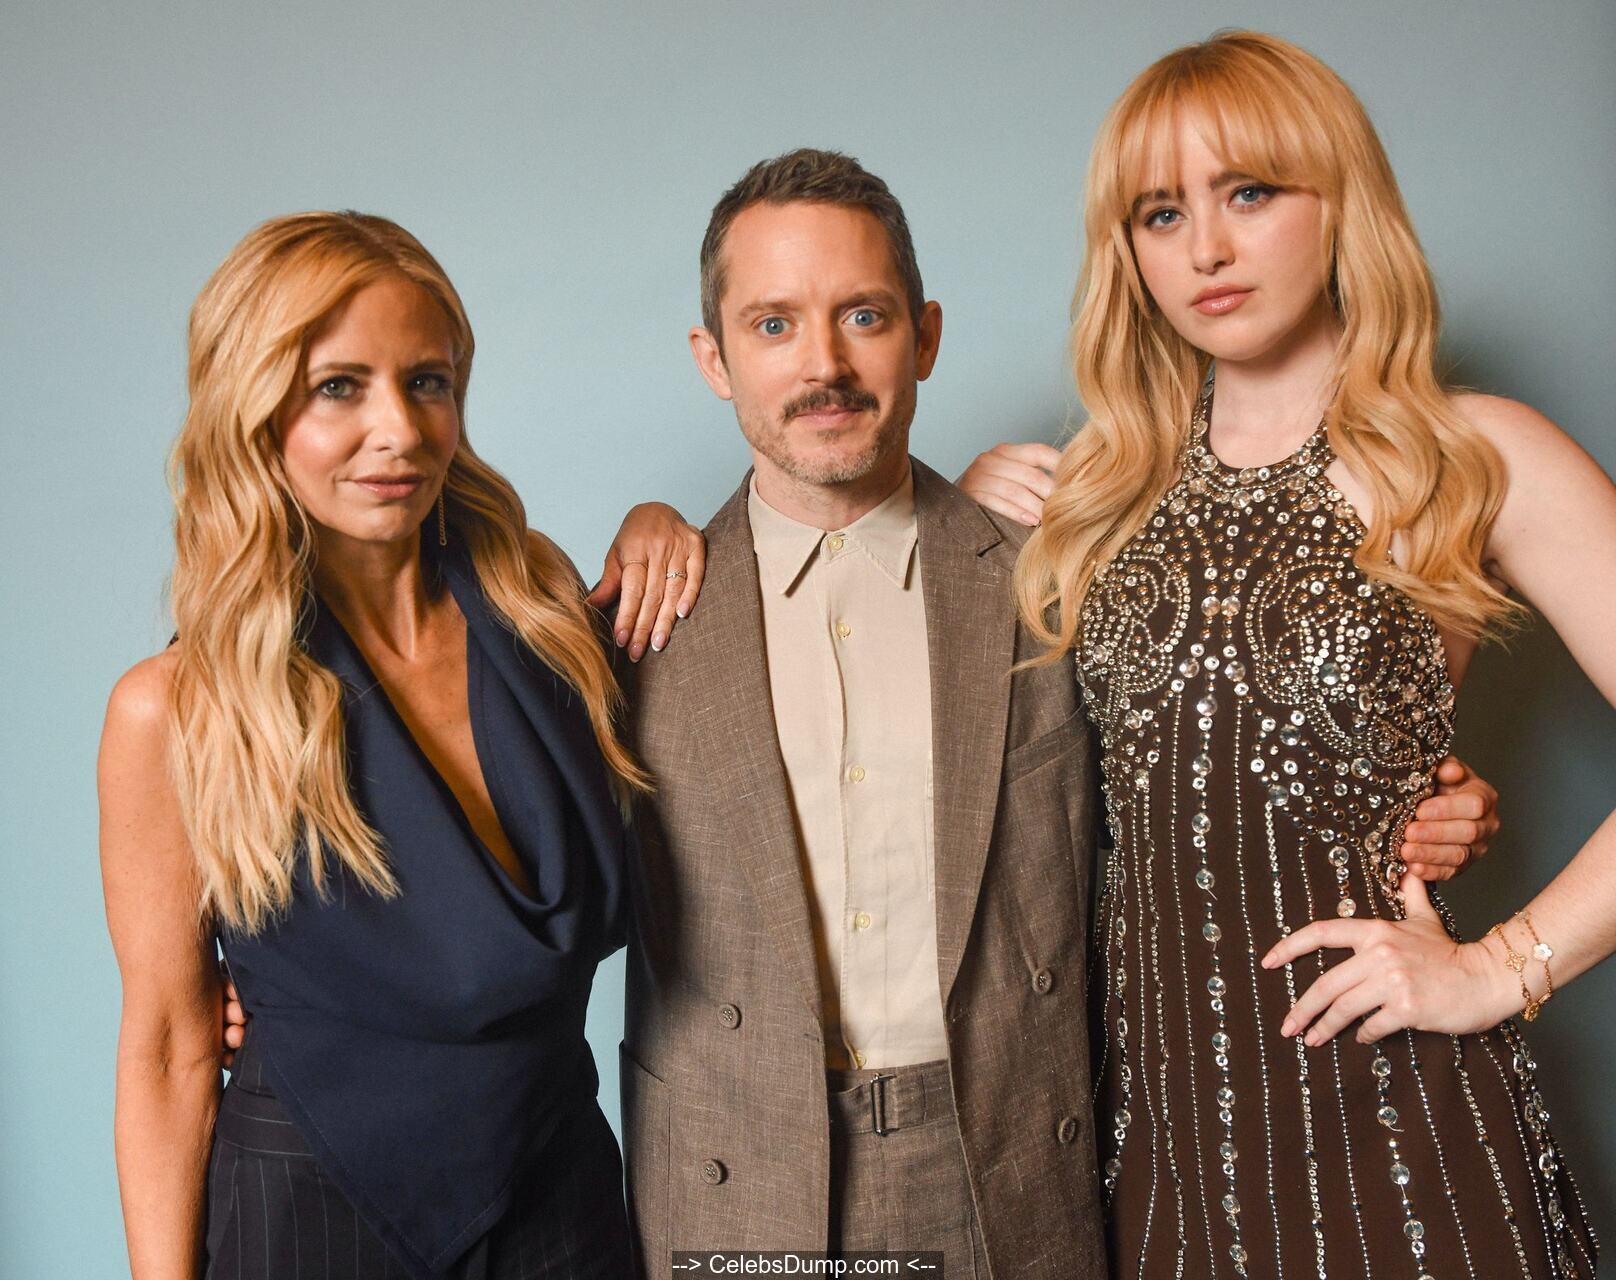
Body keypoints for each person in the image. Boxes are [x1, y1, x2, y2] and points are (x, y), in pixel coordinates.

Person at [598, 149, 1502, 1278]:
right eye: (772, 324)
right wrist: (647, 518)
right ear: (713, 358)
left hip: (1001, 1167)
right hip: (732, 1177)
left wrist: (1397, 795)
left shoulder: (1059, 579)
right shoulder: (633, 618)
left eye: (863, 316)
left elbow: (1200, 773)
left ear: (925, 335)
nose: (823, 364)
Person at [961, 31, 1608, 1278]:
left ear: (1338, 201)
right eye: (1161, 212)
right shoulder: (1089, 489)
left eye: (1248, 192)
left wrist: (1497, 969)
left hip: (1398, 1124)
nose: (1204, 246)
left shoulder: (1468, 454)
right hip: (1153, 1142)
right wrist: (953, 515)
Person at [97, 211, 698, 1279]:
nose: (401, 431)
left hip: (562, 1199)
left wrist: (664, 520)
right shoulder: (176, 708)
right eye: (339, 386)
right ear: (251, 408)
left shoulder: (538, 606)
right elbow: (168, 1048)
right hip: (310, 1213)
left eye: (427, 382)